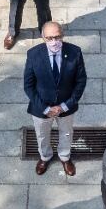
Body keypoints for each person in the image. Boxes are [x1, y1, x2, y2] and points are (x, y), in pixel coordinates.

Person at [24, 21, 87, 176]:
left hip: (66, 106)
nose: (54, 41)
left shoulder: (75, 52)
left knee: (66, 133)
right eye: (49, 38)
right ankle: (45, 157)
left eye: (57, 37)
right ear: (43, 37)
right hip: (41, 107)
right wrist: (45, 108)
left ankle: (65, 157)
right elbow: (29, 86)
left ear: (62, 35)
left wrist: (65, 106)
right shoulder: (33, 54)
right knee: (42, 135)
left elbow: (80, 81)